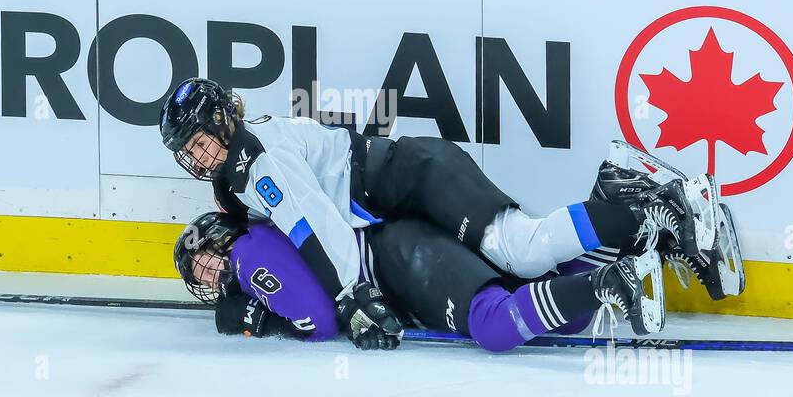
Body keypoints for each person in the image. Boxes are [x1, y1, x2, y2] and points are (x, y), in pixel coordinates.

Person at [159, 78, 732, 344]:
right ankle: (632, 217)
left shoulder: (258, 159)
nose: (195, 152)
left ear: (221, 120)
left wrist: (354, 295)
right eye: (185, 149)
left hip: (412, 176)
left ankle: (641, 202)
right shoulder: (235, 176)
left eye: (199, 137)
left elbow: (318, 225)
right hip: (394, 201)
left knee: (521, 250)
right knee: (520, 261)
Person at [176, 150, 745, 352]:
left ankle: (639, 227)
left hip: (396, 249)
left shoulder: (251, 251)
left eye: (208, 257)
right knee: (530, 286)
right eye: (203, 273)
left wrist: (263, 319)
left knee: (502, 304)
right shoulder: (256, 214)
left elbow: (320, 317)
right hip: (399, 235)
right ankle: (621, 221)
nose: (214, 272)